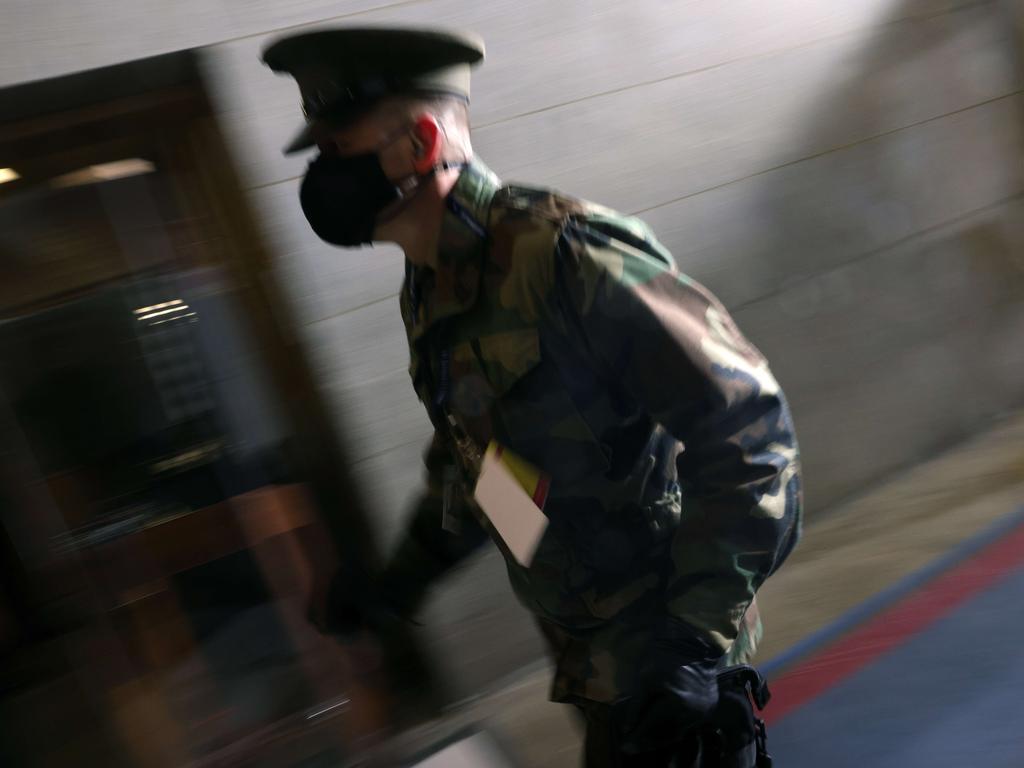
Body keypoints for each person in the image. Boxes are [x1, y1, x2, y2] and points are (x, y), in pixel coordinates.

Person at [262, 26, 801, 767]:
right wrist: (401, 582)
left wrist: (694, 644)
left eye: (338, 149)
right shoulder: (431, 289)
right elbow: (488, 469)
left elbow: (751, 435)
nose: (324, 173)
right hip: (591, 659)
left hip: (669, 665)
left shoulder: (565, 256)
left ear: (420, 143)